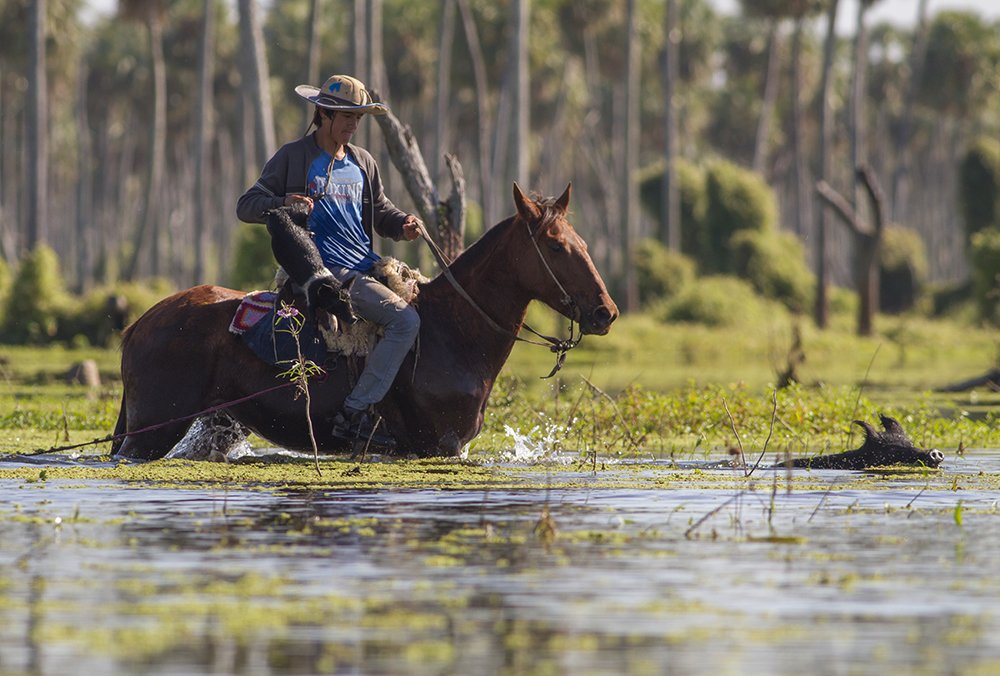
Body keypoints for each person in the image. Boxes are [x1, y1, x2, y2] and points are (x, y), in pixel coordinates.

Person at [237, 74, 421, 445]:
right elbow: (247, 205)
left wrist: (402, 223)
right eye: (347, 116)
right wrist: (283, 203)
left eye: (358, 118)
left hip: (367, 266)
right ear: (323, 114)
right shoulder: (294, 157)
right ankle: (354, 413)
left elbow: (380, 210)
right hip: (325, 272)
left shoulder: (363, 162)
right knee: (404, 322)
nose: (354, 125)